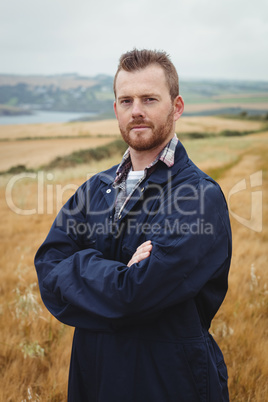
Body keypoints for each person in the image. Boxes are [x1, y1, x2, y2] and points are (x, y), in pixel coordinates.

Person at [35, 49, 232, 402]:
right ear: (115, 110)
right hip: (93, 379)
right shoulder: (94, 188)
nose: (136, 110)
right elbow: (49, 269)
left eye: (149, 99)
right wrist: (120, 273)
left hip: (167, 384)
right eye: (126, 100)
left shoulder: (199, 197)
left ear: (177, 106)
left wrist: (80, 269)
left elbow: (135, 295)